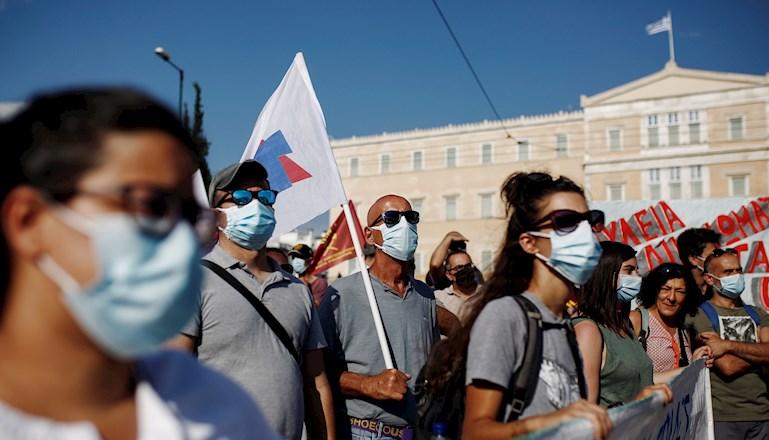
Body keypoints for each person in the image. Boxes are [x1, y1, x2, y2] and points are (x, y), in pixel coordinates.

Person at [0, 88, 277, 439]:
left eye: (188, 216)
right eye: (151, 206)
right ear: (28, 221)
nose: (177, 240)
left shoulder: (216, 407)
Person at [423, 172, 620, 440]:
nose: (584, 233)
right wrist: (545, 424)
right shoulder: (505, 315)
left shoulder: (563, 324)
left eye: (590, 220)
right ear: (530, 241)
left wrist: (641, 411)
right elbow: (475, 432)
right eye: (566, 222)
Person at [174, 160, 336, 440]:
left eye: (264, 196)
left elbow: (316, 384)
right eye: (240, 198)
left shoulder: (297, 290)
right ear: (216, 216)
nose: (256, 205)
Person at [318, 195, 458, 439]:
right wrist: (367, 385)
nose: (405, 225)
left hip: (421, 431)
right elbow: (318, 373)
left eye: (411, 217)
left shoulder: (424, 295)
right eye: (392, 218)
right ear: (370, 235)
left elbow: (455, 328)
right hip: (366, 431)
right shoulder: (342, 293)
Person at [687, 248, 769, 440]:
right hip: (723, 417)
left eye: (738, 270)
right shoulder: (699, 315)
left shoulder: (757, 313)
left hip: (763, 414)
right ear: (710, 279)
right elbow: (727, 366)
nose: (736, 276)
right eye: (728, 272)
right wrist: (762, 352)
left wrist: (728, 345)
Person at [573, 241, 673, 408]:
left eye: (637, 270)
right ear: (606, 274)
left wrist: (694, 367)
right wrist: (638, 402)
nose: (637, 277)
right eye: (629, 270)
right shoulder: (588, 330)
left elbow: (642, 378)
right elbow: (587, 411)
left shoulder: (624, 324)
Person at [629, 263, 711, 374]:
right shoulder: (637, 319)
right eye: (665, 289)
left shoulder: (682, 328)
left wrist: (696, 361)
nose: (672, 297)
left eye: (680, 291)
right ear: (654, 290)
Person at [433, 248, 481, 321]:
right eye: (459, 268)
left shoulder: (487, 293)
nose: (465, 270)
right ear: (449, 275)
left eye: (468, 266)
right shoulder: (438, 298)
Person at [676, 227, 721, 294]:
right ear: (694, 260)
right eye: (714, 254)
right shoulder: (680, 291)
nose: (720, 258)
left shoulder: (720, 283)